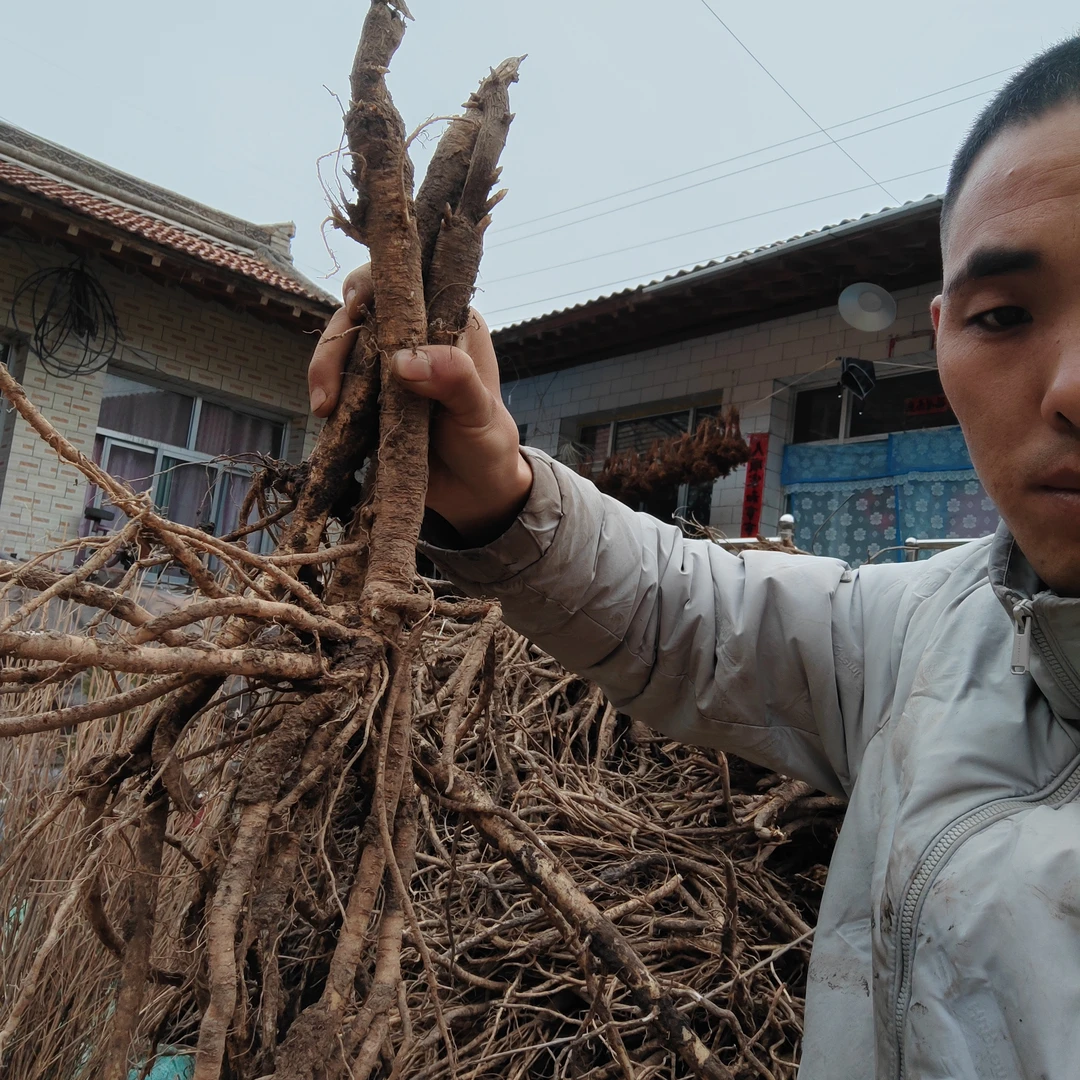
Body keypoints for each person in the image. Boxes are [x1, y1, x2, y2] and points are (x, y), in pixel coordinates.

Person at [307, 36, 1080, 1080]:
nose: (1071, 387)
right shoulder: (933, 640)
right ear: (941, 338)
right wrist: (494, 484)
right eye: (1006, 318)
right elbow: (694, 617)